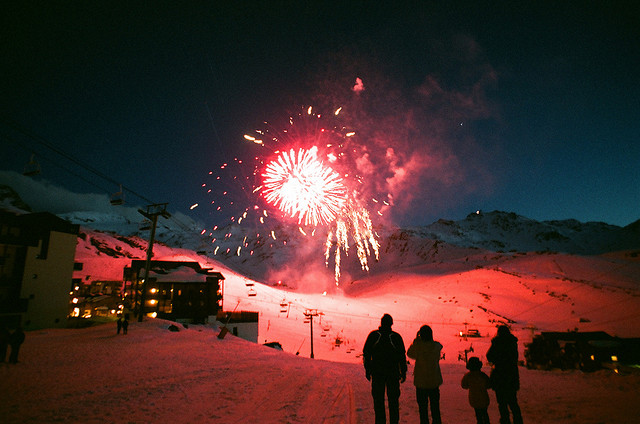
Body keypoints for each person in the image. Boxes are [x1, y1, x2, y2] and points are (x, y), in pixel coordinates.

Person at [363, 314, 407, 424]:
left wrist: (368, 370)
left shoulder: (374, 335)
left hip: (377, 374)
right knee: (393, 402)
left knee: (378, 402)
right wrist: (403, 371)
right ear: (391, 324)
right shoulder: (396, 337)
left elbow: (367, 354)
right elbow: (402, 356)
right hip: (393, 374)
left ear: (381, 323)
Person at [407, 325, 443, 424]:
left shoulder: (418, 347)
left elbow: (409, 353)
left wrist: (416, 340)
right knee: (435, 409)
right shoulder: (436, 347)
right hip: (434, 382)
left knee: (423, 411)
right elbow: (439, 346)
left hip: (421, 383)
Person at [486, 325, 523, 424]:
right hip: (511, 375)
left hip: (499, 376)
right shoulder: (513, 342)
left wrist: (496, 361)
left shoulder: (497, 342)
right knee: (513, 401)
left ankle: (505, 420)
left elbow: (489, 356)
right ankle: (518, 420)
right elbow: (514, 357)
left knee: (502, 402)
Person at [461, 356, 491, 424]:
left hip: (474, 399)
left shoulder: (468, 376)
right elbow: (489, 385)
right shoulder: (483, 375)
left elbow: (464, 385)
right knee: (485, 414)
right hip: (484, 398)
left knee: (478, 415)